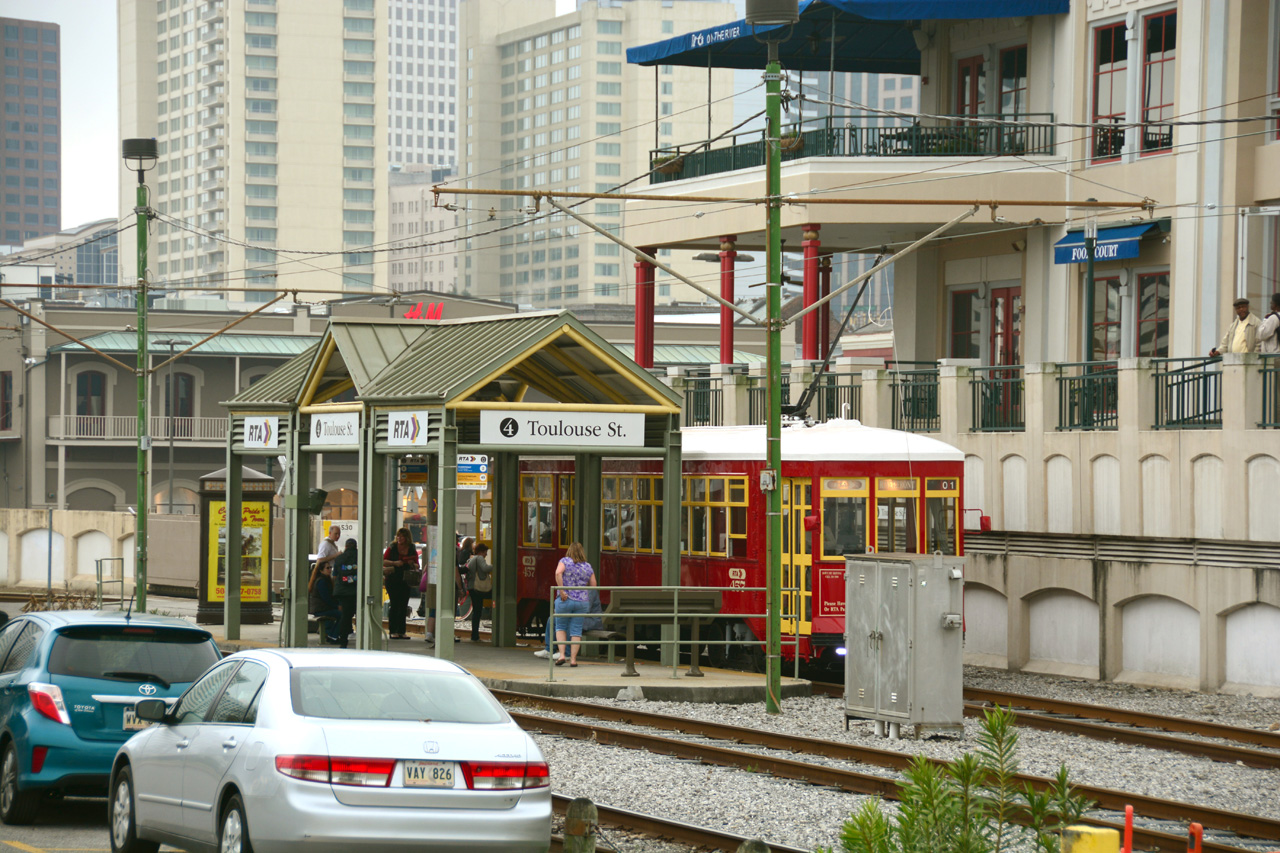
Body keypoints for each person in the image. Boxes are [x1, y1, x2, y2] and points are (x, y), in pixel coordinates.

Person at [552, 542, 596, 668]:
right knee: (576, 630)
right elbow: (593, 584)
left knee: (560, 626)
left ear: (569, 551)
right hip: (582, 602)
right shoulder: (587, 566)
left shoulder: (564, 561)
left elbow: (558, 573)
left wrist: (562, 590)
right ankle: (573, 660)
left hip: (565, 599)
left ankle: (561, 655)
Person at [382, 527, 418, 639]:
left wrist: (413, 564)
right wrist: (394, 563)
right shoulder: (392, 548)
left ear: (407, 538)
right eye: (398, 536)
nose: (399, 538)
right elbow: (383, 560)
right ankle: (393, 630)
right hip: (392, 579)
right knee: (394, 604)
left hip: (406, 579)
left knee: (403, 605)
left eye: (402, 536)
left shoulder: (412, 548)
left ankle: (402, 631)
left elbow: (417, 564)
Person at [461, 543, 493, 642]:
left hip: (472, 588)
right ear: (481, 551)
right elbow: (485, 568)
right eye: (485, 552)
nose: (486, 555)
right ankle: (475, 636)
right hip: (478, 588)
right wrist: (494, 566)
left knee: (477, 612)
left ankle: (475, 635)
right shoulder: (479, 558)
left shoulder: (471, 559)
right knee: (494, 597)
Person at [332, 538, 359, 649]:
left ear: (346, 546)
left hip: (343, 592)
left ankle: (343, 641)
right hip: (357, 591)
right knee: (361, 615)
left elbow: (334, 576)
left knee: (345, 616)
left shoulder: (339, 558)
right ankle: (364, 639)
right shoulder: (360, 556)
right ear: (356, 546)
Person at [307, 561, 342, 644]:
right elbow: (326, 598)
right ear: (321, 570)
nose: (330, 570)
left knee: (340, 614)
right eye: (327, 568)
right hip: (321, 609)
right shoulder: (322, 581)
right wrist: (337, 606)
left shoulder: (325, 579)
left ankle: (331, 634)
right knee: (342, 615)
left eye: (330, 567)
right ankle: (333, 636)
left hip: (322, 608)